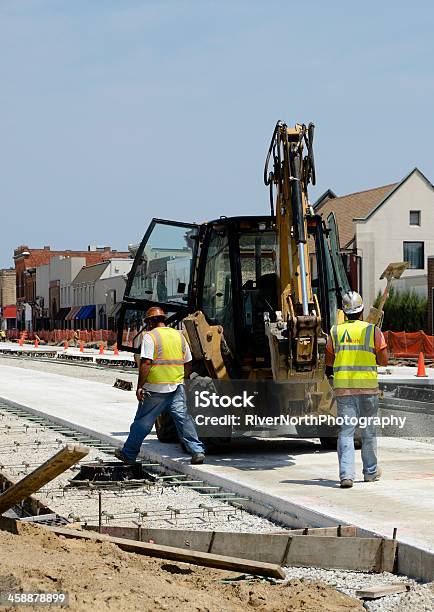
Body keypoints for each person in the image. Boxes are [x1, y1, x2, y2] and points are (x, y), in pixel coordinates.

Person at [115, 306, 206, 465]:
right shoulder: (179, 336)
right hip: (176, 387)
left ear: (150, 322)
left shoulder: (150, 337)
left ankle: (128, 453)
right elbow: (188, 361)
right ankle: (197, 451)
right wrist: (182, 378)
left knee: (142, 423)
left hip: (155, 389)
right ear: (163, 320)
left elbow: (146, 363)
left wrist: (140, 386)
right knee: (184, 420)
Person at [325, 291, 388, 489]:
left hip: (344, 390)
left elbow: (328, 361)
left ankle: (346, 475)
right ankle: (370, 472)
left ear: (344, 312)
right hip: (368, 389)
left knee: (345, 432)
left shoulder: (335, 331)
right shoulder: (372, 331)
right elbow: (384, 360)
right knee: (368, 431)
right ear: (361, 311)